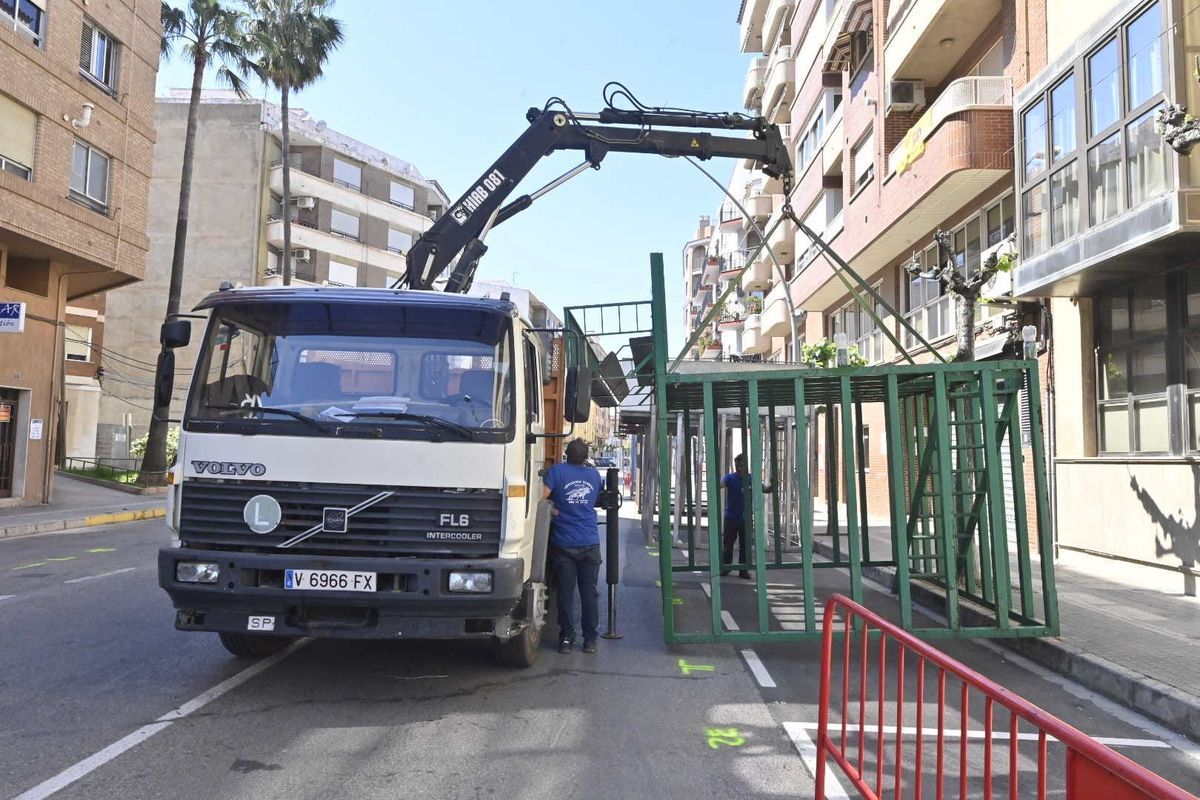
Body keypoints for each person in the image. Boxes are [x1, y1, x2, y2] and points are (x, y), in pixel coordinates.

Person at [543, 438, 603, 654]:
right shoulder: (594, 475)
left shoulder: (556, 472)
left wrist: (554, 511)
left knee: (566, 594)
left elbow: (542, 501)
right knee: (589, 593)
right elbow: (595, 499)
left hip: (564, 543)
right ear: (586, 457)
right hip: (589, 542)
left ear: (566, 453)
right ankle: (590, 641)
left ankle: (567, 639)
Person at [720, 453, 771, 579]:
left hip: (745, 519)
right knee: (728, 544)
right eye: (738, 465)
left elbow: (765, 489)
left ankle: (743, 570)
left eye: (742, 465)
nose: (740, 467)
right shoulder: (730, 478)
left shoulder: (751, 479)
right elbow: (720, 484)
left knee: (745, 545)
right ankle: (726, 567)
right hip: (731, 517)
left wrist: (772, 485)